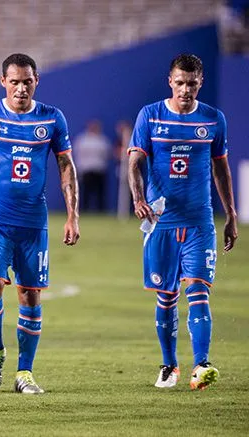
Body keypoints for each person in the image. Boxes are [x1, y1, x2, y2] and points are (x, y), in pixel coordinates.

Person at [0, 53, 80, 395]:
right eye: (14, 82)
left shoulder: (52, 119)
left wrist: (72, 215)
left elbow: (66, 167)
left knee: (30, 294)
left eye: (27, 81)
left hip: (33, 223)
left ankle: (25, 372)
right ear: (3, 82)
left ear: (36, 81)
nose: (21, 88)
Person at [127, 54, 237, 390]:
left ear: (200, 83)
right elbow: (134, 162)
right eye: (180, 83)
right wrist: (138, 198)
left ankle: (201, 364)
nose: (185, 89)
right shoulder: (150, 115)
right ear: (170, 82)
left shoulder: (213, 120)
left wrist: (231, 213)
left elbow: (221, 168)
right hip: (161, 223)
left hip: (199, 223)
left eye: (191, 83)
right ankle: (169, 365)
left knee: (199, 290)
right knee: (166, 296)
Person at [74, 119, 111, 212]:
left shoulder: (102, 140)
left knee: (100, 193)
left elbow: (107, 154)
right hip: (86, 170)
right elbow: (78, 154)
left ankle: (101, 211)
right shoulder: (82, 139)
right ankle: (84, 211)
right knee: (85, 193)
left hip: (99, 170)